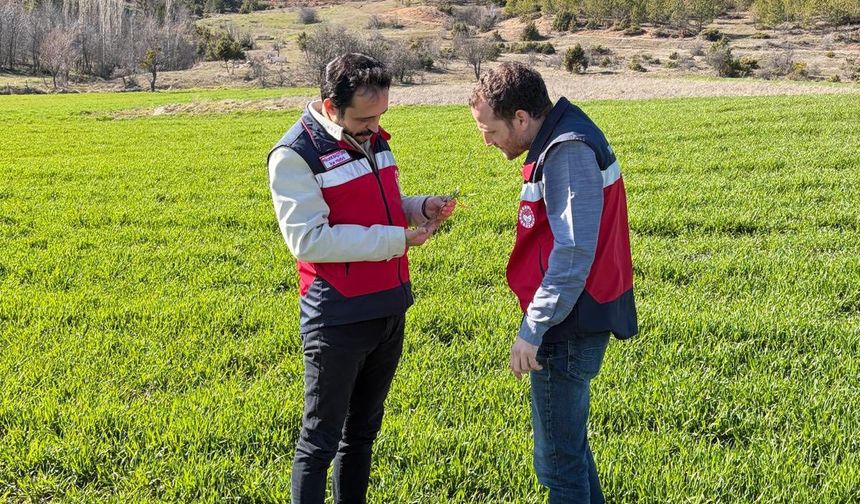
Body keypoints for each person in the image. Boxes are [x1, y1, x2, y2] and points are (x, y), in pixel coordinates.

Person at [267, 53, 455, 504]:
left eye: (381, 116)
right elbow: (309, 240)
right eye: (365, 118)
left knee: (363, 433)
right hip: (337, 315)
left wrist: (419, 207)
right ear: (331, 107)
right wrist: (398, 239)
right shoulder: (294, 155)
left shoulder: (374, 138)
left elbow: (382, 200)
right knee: (320, 441)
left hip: (389, 304)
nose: (376, 128)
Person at [469, 62, 637, 503]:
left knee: (558, 465)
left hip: (568, 325)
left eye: (489, 129)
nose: (486, 140)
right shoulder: (564, 134)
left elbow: (574, 252)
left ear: (521, 118)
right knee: (571, 453)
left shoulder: (567, 148)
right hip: (574, 317)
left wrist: (533, 330)